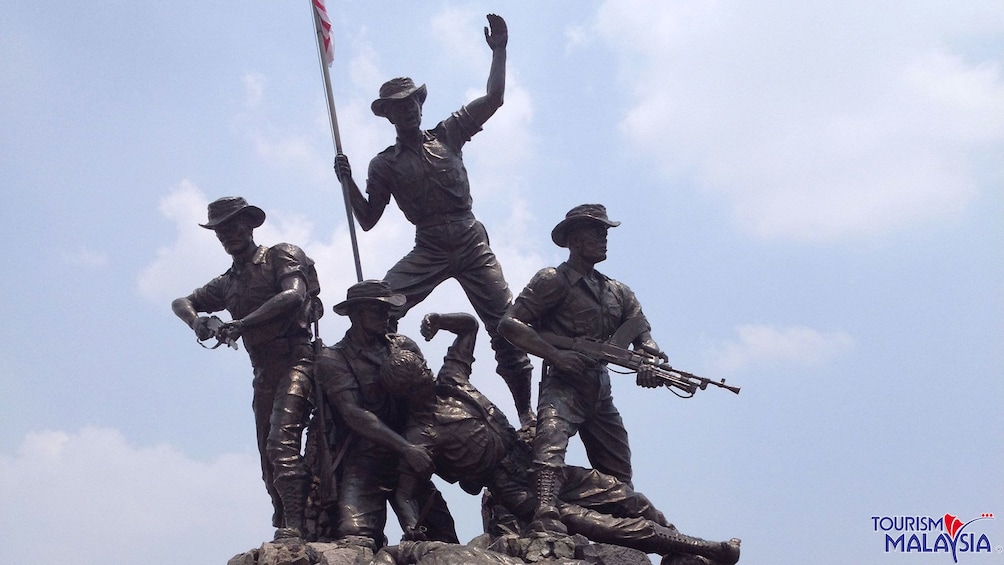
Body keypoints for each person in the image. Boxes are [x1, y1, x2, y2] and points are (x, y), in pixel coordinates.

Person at [380, 312, 740, 564]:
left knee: (625, 497)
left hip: (535, 461)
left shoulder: (452, 381)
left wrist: (440, 321)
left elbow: (469, 328)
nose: (428, 375)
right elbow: (403, 489)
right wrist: (411, 526)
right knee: (603, 526)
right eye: (419, 377)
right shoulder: (419, 433)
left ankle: (683, 554)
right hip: (516, 492)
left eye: (425, 368)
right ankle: (710, 549)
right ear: (407, 390)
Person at [333, 13, 535, 429]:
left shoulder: (449, 133)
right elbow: (369, 219)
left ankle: (526, 414)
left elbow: (494, 99)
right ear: (387, 115)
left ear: (420, 104)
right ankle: (384, 392)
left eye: (411, 102)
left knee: (508, 327)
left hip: (469, 239)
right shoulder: (383, 164)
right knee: (379, 303)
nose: (406, 110)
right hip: (428, 246)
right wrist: (348, 181)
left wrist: (499, 52)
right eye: (397, 106)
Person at [498, 203, 669, 537]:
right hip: (564, 382)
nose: (604, 238)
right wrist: (556, 355)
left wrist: (648, 359)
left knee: (618, 471)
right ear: (574, 239)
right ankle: (545, 511)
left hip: (599, 389)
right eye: (596, 231)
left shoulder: (618, 291)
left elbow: (641, 334)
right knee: (550, 442)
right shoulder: (553, 280)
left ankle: (622, 527)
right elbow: (511, 324)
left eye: (605, 231)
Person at [172, 196, 321, 540]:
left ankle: (296, 529)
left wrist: (241, 323)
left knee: (279, 443)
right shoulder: (228, 282)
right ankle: (285, 519)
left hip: (298, 361)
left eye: (233, 225)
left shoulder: (280, 255)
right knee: (267, 461)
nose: (227, 235)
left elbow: (294, 295)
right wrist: (197, 322)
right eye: (220, 230)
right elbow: (181, 301)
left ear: (250, 224)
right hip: (264, 371)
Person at [314, 280, 457, 550]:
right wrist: (406, 448)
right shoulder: (333, 359)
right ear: (356, 315)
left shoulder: (404, 347)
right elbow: (353, 413)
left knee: (442, 537)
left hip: (412, 459)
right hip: (366, 461)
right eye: (378, 311)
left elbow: (427, 396)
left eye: (387, 311)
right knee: (354, 534)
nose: (386, 317)